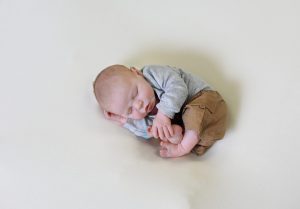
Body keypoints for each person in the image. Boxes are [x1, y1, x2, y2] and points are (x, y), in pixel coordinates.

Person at [93, 64, 227, 158]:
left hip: (205, 101)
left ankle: (182, 148)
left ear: (136, 73)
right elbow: (145, 132)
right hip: (201, 131)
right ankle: (183, 138)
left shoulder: (153, 73)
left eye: (136, 93)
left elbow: (178, 87)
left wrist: (163, 115)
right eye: (130, 110)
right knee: (167, 133)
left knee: (194, 115)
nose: (139, 105)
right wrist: (124, 121)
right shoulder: (141, 116)